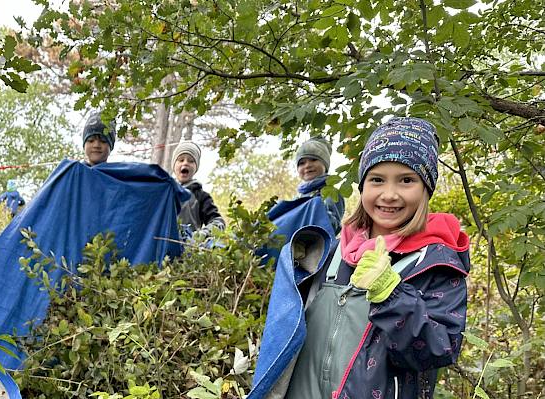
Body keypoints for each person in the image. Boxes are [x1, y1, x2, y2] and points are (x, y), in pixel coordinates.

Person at [253, 117, 471, 399]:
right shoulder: (329, 253)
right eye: (377, 180)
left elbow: (439, 350)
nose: (389, 194)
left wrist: (391, 296)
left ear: (426, 189)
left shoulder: (436, 264)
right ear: (363, 185)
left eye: (406, 180)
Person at [171, 141, 225, 238]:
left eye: (191, 161)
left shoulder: (200, 196)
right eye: (181, 160)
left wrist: (202, 234)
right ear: (174, 166)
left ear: (196, 167)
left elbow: (217, 221)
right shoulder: (164, 192)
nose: (185, 163)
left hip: (186, 248)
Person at [294, 136, 345, 234]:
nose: (307, 165)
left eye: (313, 159)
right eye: (302, 163)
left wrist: (314, 208)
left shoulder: (331, 192)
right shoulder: (297, 197)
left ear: (325, 165)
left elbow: (332, 225)